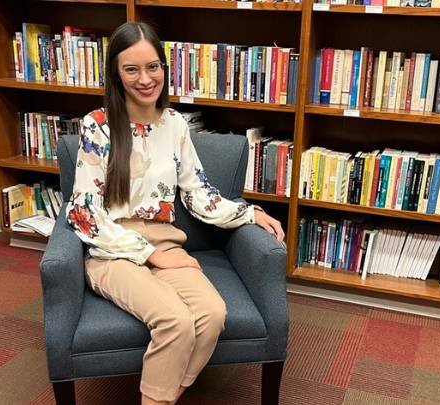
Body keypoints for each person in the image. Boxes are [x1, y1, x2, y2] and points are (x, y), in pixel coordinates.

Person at [65, 21, 285, 405]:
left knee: (212, 314)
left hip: (167, 244)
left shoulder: (175, 124)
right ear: (116, 74)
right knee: (175, 321)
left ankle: (164, 395)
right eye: (131, 69)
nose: (145, 78)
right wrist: (152, 256)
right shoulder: (97, 126)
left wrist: (248, 214)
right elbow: (83, 213)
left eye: (153, 66)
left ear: (165, 68)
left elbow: (198, 191)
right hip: (112, 251)